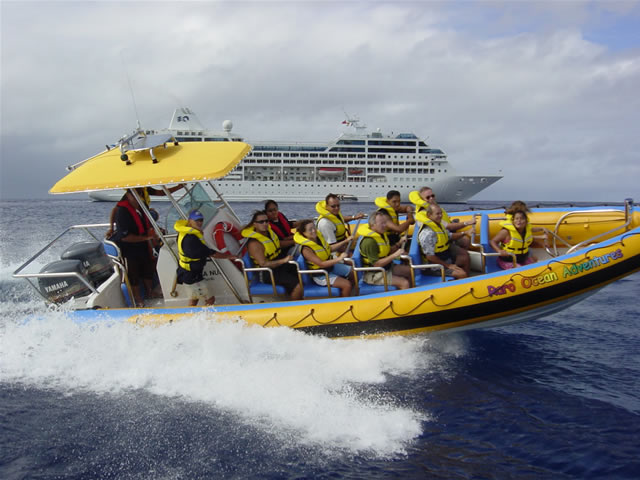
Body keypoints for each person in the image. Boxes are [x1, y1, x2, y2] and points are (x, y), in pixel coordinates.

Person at [108, 188, 159, 306]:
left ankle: (150, 292)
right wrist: (111, 228)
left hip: (143, 244)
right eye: (134, 194)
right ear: (128, 195)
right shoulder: (122, 212)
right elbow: (124, 236)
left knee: (148, 266)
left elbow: (148, 222)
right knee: (133, 272)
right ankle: (138, 299)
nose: (137, 197)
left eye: (139, 194)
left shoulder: (142, 207)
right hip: (128, 247)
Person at [175, 210, 236, 306]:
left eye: (201, 220)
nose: (199, 223)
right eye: (197, 221)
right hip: (191, 275)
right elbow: (210, 253)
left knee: (194, 298)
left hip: (187, 272)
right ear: (190, 221)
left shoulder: (184, 232)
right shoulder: (191, 239)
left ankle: (191, 316)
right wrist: (228, 256)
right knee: (210, 299)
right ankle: (205, 318)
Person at [241, 210, 303, 300]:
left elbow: (278, 244)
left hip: (279, 266)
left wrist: (294, 241)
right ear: (254, 224)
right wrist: (284, 260)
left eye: (266, 221)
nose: (265, 223)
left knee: (303, 271)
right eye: (261, 222)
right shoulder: (254, 243)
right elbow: (263, 264)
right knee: (298, 285)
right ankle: (295, 306)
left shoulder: (269, 233)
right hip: (267, 272)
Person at [294, 219, 354, 297]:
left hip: (331, 267)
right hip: (321, 274)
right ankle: (344, 302)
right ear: (304, 233)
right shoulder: (306, 249)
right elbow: (321, 264)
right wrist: (339, 259)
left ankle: (346, 294)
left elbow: (329, 249)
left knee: (353, 272)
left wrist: (345, 241)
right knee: (347, 285)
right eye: (310, 230)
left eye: (314, 228)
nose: (313, 231)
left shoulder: (318, 239)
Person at [105, 184, 185, 238]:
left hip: (144, 219)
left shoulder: (144, 189)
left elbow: (161, 193)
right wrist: (111, 228)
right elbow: (115, 210)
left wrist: (179, 187)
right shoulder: (131, 193)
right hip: (136, 224)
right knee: (158, 234)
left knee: (162, 232)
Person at [359, 210, 412, 290]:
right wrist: (394, 255)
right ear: (373, 225)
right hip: (375, 274)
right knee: (404, 283)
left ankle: (412, 294)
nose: (385, 226)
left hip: (387, 267)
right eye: (382, 224)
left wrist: (399, 243)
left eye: (385, 223)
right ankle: (405, 301)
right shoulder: (369, 242)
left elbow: (387, 250)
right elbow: (376, 264)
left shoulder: (381, 234)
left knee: (410, 271)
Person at [409, 187, 475, 249]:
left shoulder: (433, 207)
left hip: (445, 232)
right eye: (428, 197)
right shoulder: (427, 213)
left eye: (433, 196)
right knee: (465, 241)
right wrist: (467, 223)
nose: (431, 198)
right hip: (442, 239)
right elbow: (449, 227)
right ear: (422, 199)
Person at [417, 204, 469, 279]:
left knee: (465, 258)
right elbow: (430, 257)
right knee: (461, 274)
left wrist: (464, 233)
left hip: (445, 259)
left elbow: (449, 236)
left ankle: (468, 283)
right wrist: (448, 266)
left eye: (441, 213)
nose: (440, 216)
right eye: (437, 214)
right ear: (429, 215)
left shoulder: (439, 226)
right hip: (433, 267)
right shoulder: (428, 233)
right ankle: (462, 287)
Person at [490, 205, 546, 270]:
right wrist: (499, 250)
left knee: (535, 260)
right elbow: (492, 241)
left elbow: (528, 242)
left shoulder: (527, 231)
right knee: (520, 269)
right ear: (513, 221)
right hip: (508, 261)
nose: (519, 221)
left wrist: (542, 244)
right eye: (516, 219)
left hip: (522, 260)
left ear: (526, 221)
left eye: (522, 219)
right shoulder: (506, 232)